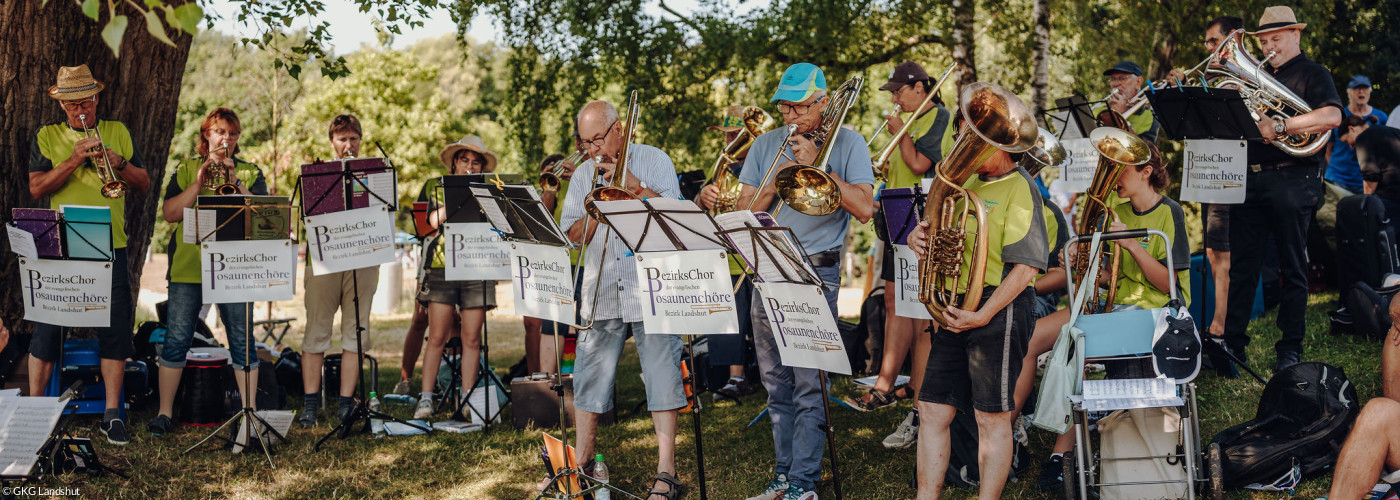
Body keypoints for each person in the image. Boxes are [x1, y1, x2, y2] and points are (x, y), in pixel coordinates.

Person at [735, 62, 876, 500]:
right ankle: (783, 474)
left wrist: (819, 165)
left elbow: (866, 208)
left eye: (800, 107)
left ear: (823, 103)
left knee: (809, 379)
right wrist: (778, 181)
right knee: (775, 379)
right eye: (785, 107)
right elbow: (742, 209)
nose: (791, 117)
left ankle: (805, 482)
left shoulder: (849, 142)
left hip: (817, 267)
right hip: (767, 265)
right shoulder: (765, 145)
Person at [1019, 144, 1191, 492]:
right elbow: (1112, 276)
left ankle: (1060, 453)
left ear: (1146, 171)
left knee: (1076, 347)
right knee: (1035, 335)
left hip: (1156, 313)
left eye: (1121, 170)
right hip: (1115, 309)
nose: (1113, 179)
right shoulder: (1116, 208)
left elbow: (1169, 282)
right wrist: (1087, 269)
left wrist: (1132, 245)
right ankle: (1008, 432)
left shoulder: (1169, 212)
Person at [906, 106, 1047, 499]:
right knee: (932, 409)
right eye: (960, 137)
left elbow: (1026, 269)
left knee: (992, 417)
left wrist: (982, 314)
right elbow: (937, 238)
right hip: (956, 306)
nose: (960, 148)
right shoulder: (959, 184)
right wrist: (920, 240)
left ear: (999, 145)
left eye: (971, 140)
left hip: (999, 306)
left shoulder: (1021, 187)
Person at [560, 98, 688, 499]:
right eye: (585, 142)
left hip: (651, 287)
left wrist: (632, 184)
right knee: (589, 375)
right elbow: (571, 236)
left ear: (618, 129)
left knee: (662, 374)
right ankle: (583, 462)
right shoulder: (583, 174)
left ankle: (666, 471)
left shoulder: (655, 160)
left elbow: (676, 220)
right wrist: (595, 207)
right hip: (602, 287)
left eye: (597, 139)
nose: (592, 149)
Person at [27, 64, 151, 445]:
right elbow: (37, 188)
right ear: (61, 105)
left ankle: (114, 413)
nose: (77, 111)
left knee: (114, 330)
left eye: (83, 102)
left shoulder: (117, 131)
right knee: (47, 329)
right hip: (59, 243)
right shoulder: (47, 136)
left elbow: (144, 183)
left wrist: (121, 164)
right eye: (69, 104)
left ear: (96, 99)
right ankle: (34, 415)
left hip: (109, 243)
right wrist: (75, 157)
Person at [1223, 5, 1343, 373]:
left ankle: (1289, 347)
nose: (1268, 47)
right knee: (1242, 268)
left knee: (1293, 267)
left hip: (1294, 177)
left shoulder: (1313, 73)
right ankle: (1233, 348)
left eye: (1276, 38)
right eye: (1263, 41)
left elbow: (1332, 116)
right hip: (1251, 176)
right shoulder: (1254, 75)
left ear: (1296, 35)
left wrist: (1280, 126)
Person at [848, 60, 956, 452]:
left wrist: (901, 135)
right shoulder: (908, 119)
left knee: (919, 308)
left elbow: (920, 164)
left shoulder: (938, 118)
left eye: (899, 91)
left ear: (920, 87)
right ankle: (885, 380)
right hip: (895, 216)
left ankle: (919, 395)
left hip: (922, 219)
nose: (894, 98)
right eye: (892, 92)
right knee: (894, 300)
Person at [149, 107, 267, 438]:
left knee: (243, 343)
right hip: (189, 269)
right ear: (207, 135)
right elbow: (171, 213)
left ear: (237, 138)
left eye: (231, 134)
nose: (225, 139)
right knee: (176, 340)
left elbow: (262, 219)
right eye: (219, 132)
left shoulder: (251, 171)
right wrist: (200, 183)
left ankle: (250, 416)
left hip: (235, 271)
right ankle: (164, 413)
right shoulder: (186, 168)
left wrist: (235, 181)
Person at [296, 114, 381, 426]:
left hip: (363, 258)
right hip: (324, 258)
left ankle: (346, 403)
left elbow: (383, 212)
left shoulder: (374, 173)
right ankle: (309, 405)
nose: (349, 144)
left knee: (356, 330)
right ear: (332, 142)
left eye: (354, 138)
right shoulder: (318, 174)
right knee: (316, 329)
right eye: (343, 139)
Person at [410, 136, 501, 420]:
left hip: (478, 267)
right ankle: (426, 399)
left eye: (476, 163)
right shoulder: (433, 186)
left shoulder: (490, 188)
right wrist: (458, 200)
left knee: (472, 338)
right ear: (454, 163)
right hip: (441, 268)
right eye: (465, 161)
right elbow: (422, 227)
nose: (470, 167)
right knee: (437, 336)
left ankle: (469, 398)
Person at [1170, 15, 1245, 345]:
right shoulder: (1214, 78)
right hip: (1211, 170)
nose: (1209, 49)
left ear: (1234, 38)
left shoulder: (1241, 75)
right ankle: (1218, 322)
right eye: (1208, 44)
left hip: (1230, 172)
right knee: (1214, 252)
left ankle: (1220, 327)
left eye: (1214, 42)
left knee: (1222, 253)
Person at [695, 104, 765, 401]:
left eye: (736, 135)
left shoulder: (762, 161)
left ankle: (771, 373)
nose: (730, 142)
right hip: (727, 255)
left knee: (764, 319)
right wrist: (702, 197)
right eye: (726, 136)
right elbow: (698, 212)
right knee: (729, 318)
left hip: (757, 254)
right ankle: (735, 377)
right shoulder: (722, 165)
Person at [1325, 76, 1388, 194]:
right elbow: (1328, 148)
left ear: (1370, 92)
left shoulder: (1381, 117)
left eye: (1365, 88)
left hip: (1365, 180)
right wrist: (1335, 170)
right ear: (1349, 93)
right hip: (1337, 178)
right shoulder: (1338, 115)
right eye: (1356, 88)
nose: (1361, 91)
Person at [1345, 115, 1400, 235]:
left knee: (1389, 242)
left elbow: (1370, 175)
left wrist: (1366, 202)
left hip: (1391, 197)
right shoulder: (1391, 131)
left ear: (1351, 129)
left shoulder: (1363, 137)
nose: (1350, 146)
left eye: (1346, 141)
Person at [1093, 61, 1161, 144]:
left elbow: (1146, 153)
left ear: (1138, 82)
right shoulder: (1097, 109)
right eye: (1113, 79)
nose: (1116, 84)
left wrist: (1122, 119)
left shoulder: (1150, 116)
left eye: (1122, 78)